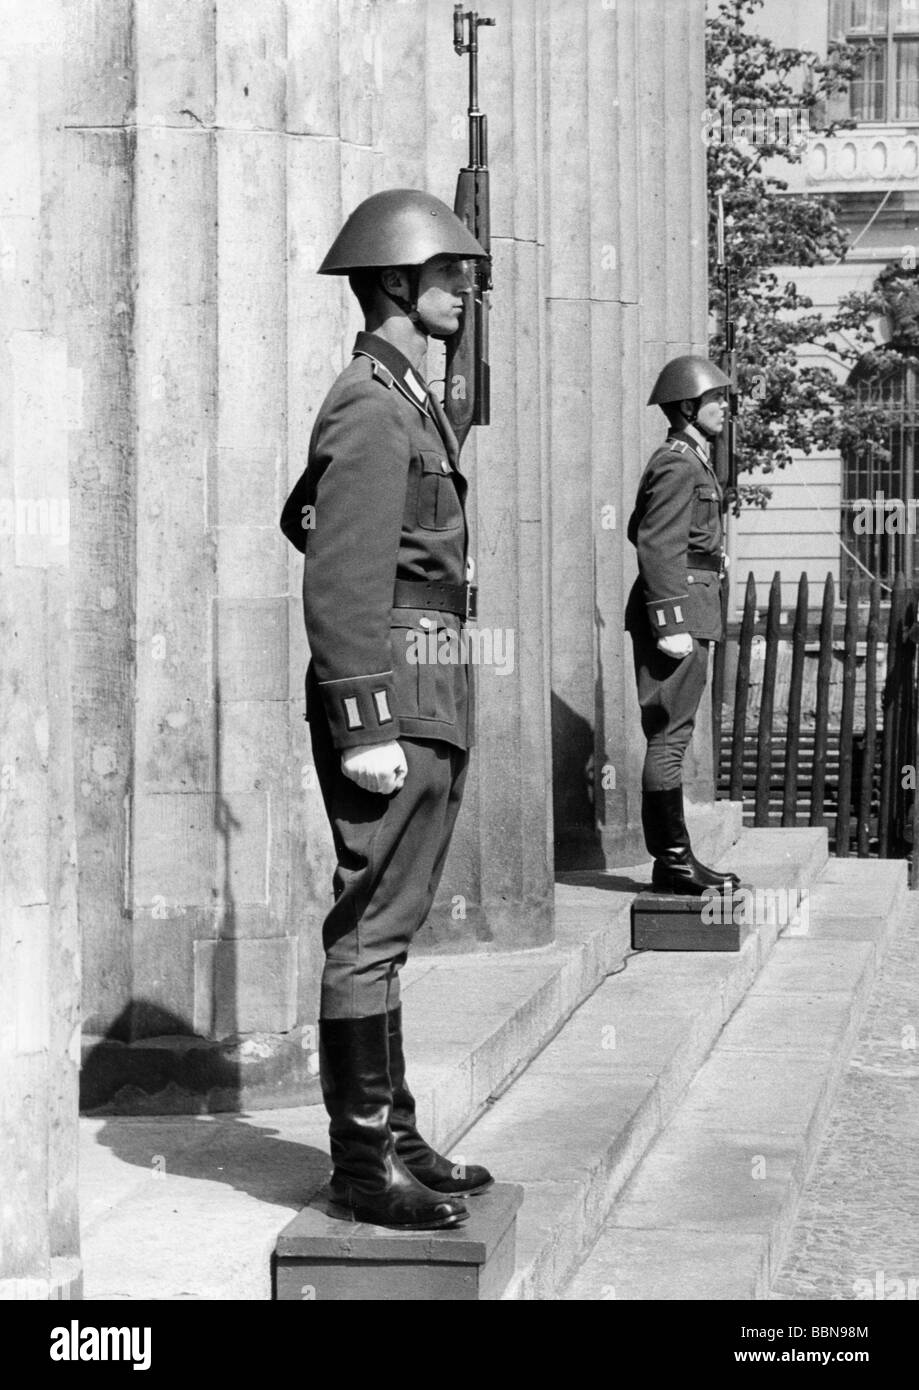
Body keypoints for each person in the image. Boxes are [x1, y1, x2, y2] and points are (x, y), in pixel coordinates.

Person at [280, 189, 493, 1230]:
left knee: (393, 925)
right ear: (397, 282)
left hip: (428, 681)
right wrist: (361, 717)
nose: (464, 288)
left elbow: (309, 514)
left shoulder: (408, 400)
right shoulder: (369, 400)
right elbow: (335, 571)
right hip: (394, 695)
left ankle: (394, 1131)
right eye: (448, 273)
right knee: (366, 928)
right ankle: (362, 1163)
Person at [625, 354, 741, 896]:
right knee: (668, 739)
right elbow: (654, 542)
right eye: (715, 399)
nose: (725, 407)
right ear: (688, 406)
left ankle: (673, 860)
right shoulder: (677, 463)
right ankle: (671, 862)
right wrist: (669, 618)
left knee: (676, 736)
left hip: (694, 608)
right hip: (677, 615)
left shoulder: (695, 460)